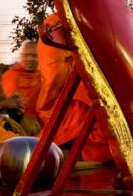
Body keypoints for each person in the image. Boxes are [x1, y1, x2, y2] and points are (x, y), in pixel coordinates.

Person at [36, 13, 112, 162]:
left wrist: (44, 105)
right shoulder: (107, 19)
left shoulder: (55, 22)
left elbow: (53, 79)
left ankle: (68, 154)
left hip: (85, 105)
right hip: (115, 103)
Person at [1, 40, 42, 133]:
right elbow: (13, 101)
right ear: (21, 56)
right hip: (17, 124)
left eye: (34, 55)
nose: (30, 59)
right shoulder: (11, 75)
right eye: (26, 55)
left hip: (41, 123)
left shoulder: (43, 77)